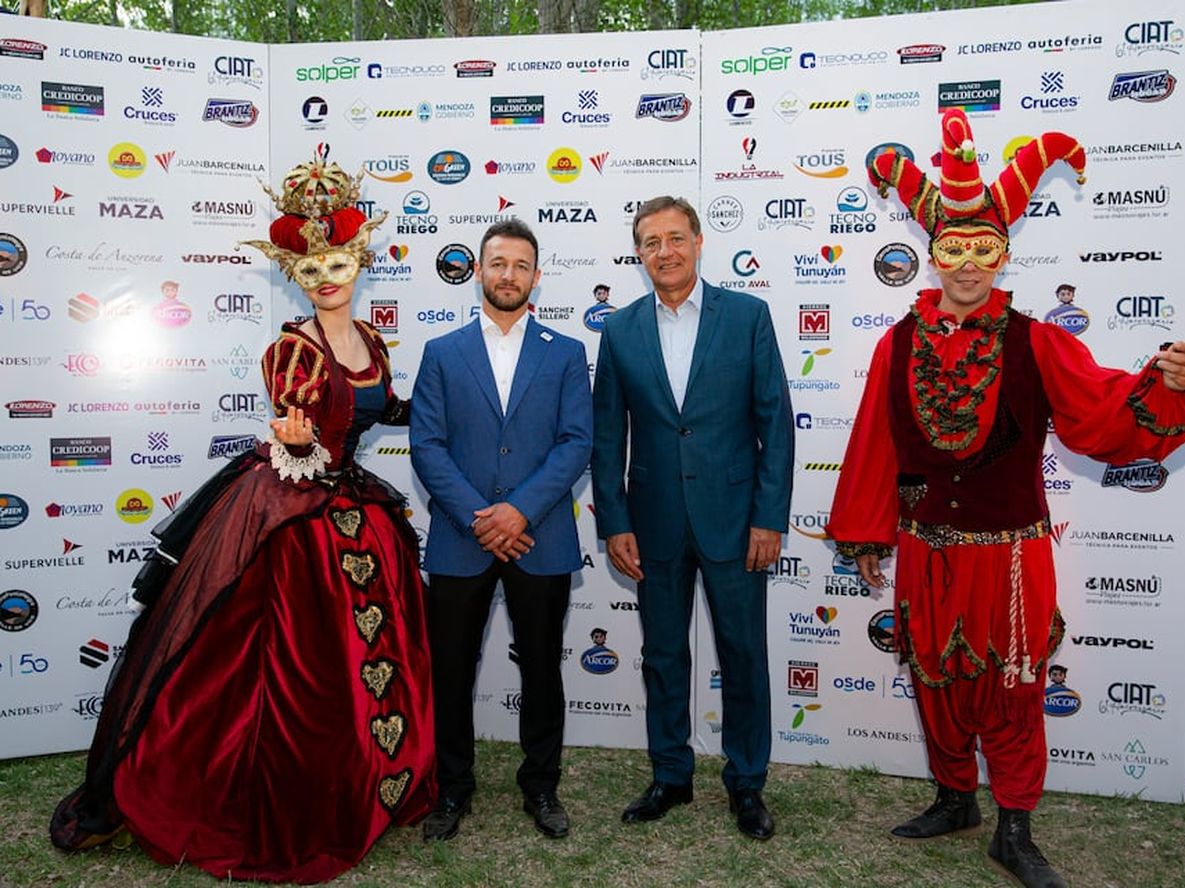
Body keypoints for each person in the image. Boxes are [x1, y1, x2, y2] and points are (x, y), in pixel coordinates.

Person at [49, 149, 435, 883]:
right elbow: (295, 427)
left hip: (357, 502)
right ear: (293, 273)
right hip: (294, 515)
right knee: (282, 662)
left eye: (338, 265)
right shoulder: (292, 348)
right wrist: (294, 436)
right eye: (310, 270)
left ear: (358, 263)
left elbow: (386, 409)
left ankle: (366, 778)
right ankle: (273, 791)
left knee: (362, 659)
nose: (326, 280)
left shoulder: (375, 342)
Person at [827, 109, 1185, 888]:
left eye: (980, 248)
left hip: (1012, 559)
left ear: (1002, 251)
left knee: (1014, 691)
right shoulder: (896, 342)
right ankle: (955, 798)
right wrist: (866, 534)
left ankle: (1013, 828)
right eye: (951, 248)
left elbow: (1097, 411)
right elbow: (873, 443)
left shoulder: (1036, 340)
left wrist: (1160, 383)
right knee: (936, 680)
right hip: (926, 553)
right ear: (931, 254)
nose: (965, 264)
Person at [590, 196, 793, 840]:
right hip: (651, 523)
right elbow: (605, 438)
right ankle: (670, 775)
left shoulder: (748, 316)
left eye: (676, 238)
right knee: (662, 654)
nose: (665, 252)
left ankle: (747, 782)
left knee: (742, 653)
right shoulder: (619, 330)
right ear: (639, 253)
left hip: (736, 521)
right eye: (651, 242)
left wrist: (768, 516)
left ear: (699, 242)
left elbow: (776, 425)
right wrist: (614, 522)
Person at [410, 219, 593, 842]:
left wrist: (519, 512)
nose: (508, 274)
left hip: (539, 537)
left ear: (536, 276)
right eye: (497, 263)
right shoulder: (442, 352)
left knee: (543, 668)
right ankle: (451, 788)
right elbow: (427, 447)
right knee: (452, 671)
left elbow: (576, 442)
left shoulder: (566, 351)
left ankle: (541, 786)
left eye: (520, 264)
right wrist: (480, 518)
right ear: (479, 273)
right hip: (462, 540)